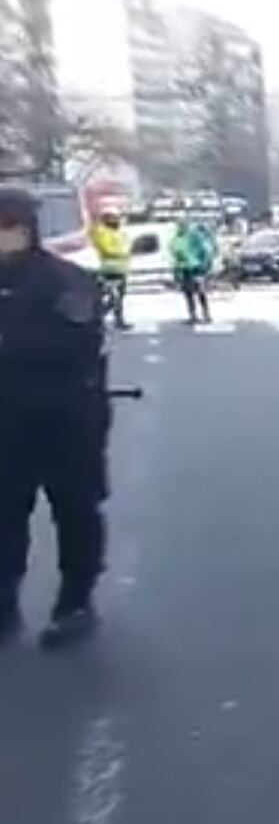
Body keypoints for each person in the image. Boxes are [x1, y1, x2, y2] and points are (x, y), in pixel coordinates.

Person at [0, 186, 110, 648]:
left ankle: (75, 601)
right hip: (7, 423)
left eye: (9, 228)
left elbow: (77, 341)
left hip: (66, 419)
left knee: (76, 512)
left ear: (29, 230)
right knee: (4, 517)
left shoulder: (68, 281)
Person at [87, 209, 132, 330]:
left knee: (119, 297)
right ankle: (98, 319)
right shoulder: (103, 232)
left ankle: (118, 319)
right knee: (113, 298)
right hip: (110, 270)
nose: (116, 220)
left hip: (121, 269)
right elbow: (107, 249)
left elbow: (126, 244)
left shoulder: (118, 232)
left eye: (117, 218)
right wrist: (122, 252)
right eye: (113, 218)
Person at [170, 220, 215, 324]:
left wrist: (205, 263)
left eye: (183, 225)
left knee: (200, 291)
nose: (181, 227)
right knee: (188, 293)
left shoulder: (195, 236)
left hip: (197, 268)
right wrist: (176, 270)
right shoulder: (176, 239)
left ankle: (206, 314)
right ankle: (193, 315)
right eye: (179, 226)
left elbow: (205, 249)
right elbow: (174, 255)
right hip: (184, 269)